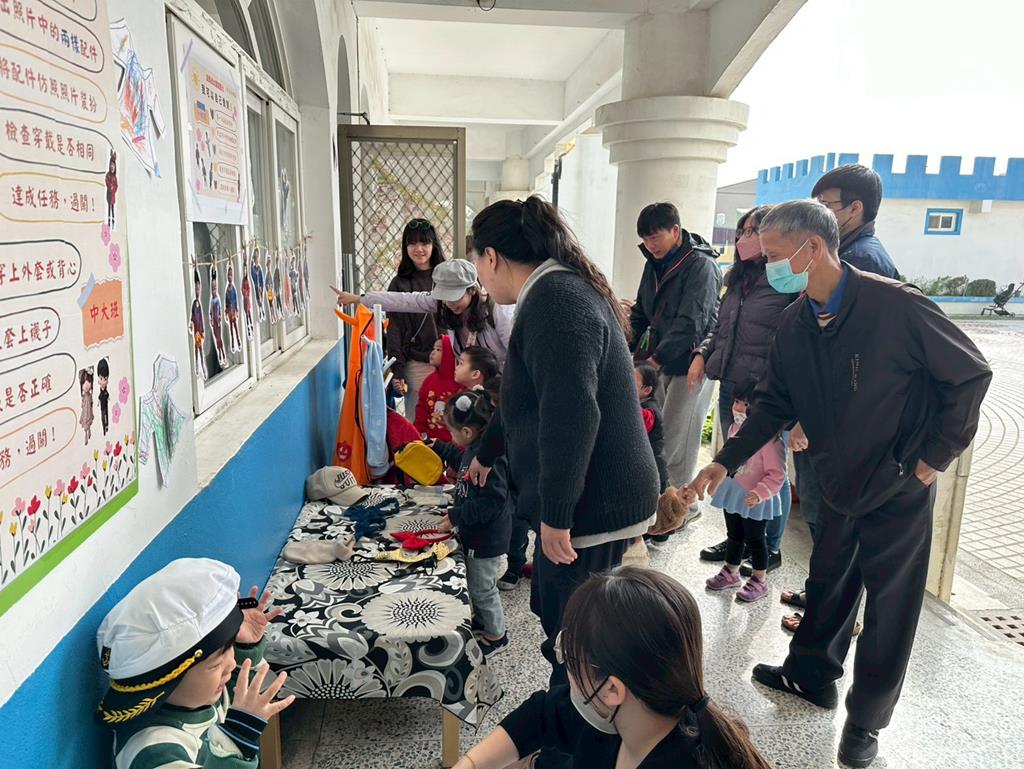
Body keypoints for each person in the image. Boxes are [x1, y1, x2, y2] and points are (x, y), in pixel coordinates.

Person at [688, 200, 991, 768]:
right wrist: (725, 462)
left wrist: (933, 459)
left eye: (774, 255)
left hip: (898, 484)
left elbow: (970, 374)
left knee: (890, 607)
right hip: (837, 479)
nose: (767, 266)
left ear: (813, 248)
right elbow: (774, 402)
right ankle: (810, 677)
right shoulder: (797, 322)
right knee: (827, 582)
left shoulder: (895, 306)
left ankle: (865, 722)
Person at [469, 196, 659, 695]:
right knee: (553, 607)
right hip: (591, 492)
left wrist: (557, 514)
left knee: (571, 629)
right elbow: (523, 394)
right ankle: (573, 705)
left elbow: (572, 414)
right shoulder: (551, 292)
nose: (480, 280)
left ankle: (579, 717)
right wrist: (487, 453)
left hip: (595, 502)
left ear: (492, 257)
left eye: (477, 265)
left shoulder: (556, 301)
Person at [452, 566, 770, 769]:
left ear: (613, 689)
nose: (565, 668)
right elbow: (543, 714)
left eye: (569, 658)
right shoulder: (626, 714)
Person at [783, 165, 902, 629]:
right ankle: (823, 599)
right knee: (822, 518)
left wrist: (810, 417)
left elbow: (857, 367)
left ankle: (837, 614)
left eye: (825, 206)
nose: (818, 213)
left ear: (855, 208)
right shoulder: (844, 255)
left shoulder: (864, 264)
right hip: (827, 422)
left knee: (836, 525)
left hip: (843, 431)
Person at [96, 558, 294, 769]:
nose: (230, 665)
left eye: (230, 649)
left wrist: (246, 648)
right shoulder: (154, 751)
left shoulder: (195, 697)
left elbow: (234, 694)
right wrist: (237, 738)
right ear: (169, 680)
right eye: (215, 665)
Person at [691, 206, 798, 573]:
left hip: (765, 394)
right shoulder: (737, 279)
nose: (743, 239)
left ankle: (769, 545)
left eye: (753, 231)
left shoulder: (785, 282)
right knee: (735, 463)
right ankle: (737, 537)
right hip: (732, 383)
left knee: (771, 466)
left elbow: (790, 340)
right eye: (742, 231)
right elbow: (719, 328)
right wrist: (703, 354)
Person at [627, 202, 721, 525]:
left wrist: (656, 358)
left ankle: (682, 511)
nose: (650, 245)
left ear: (675, 231)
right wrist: (627, 350)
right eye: (645, 239)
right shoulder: (654, 263)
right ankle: (664, 506)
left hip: (690, 362)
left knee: (679, 437)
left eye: (655, 237)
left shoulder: (701, 265)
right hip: (660, 362)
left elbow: (692, 322)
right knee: (661, 436)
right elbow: (641, 312)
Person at [433, 390, 513, 655]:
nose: (451, 437)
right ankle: (483, 620)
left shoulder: (491, 460)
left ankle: (497, 635)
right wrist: (439, 447)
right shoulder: (476, 449)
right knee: (475, 582)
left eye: (451, 433)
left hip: (486, 538)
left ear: (467, 432)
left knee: (482, 588)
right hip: (476, 533)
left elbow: (492, 503)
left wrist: (457, 515)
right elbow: (463, 462)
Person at [687, 389, 784, 603]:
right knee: (734, 535)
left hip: (755, 499)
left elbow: (777, 474)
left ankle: (759, 580)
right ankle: (730, 572)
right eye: (737, 402)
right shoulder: (733, 429)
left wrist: (759, 493)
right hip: (734, 494)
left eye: (746, 404)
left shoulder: (771, 441)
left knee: (756, 540)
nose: (739, 408)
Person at [333, 259, 514, 367]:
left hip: (501, 386)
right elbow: (403, 300)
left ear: (472, 290)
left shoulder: (497, 311)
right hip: (473, 386)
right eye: (445, 298)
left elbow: (516, 354)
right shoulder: (443, 305)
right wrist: (358, 299)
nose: (449, 304)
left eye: (455, 297)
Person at [386, 219, 445, 417]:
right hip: (417, 365)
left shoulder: (447, 278)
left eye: (424, 242)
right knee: (418, 423)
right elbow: (394, 330)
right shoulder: (399, 283)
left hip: (451, 363)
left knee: (450, 424)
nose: (419, 249)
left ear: (434, 245)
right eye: (412, 243)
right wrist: (398, 369)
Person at [415, 336, 460, 442]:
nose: (433, 352)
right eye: (433, 349)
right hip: (432, 440)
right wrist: (418, 430)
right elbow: (421, 407)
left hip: (455, 443)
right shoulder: (429, 380)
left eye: (439, 349)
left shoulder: (459, 382)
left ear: (449, 353)